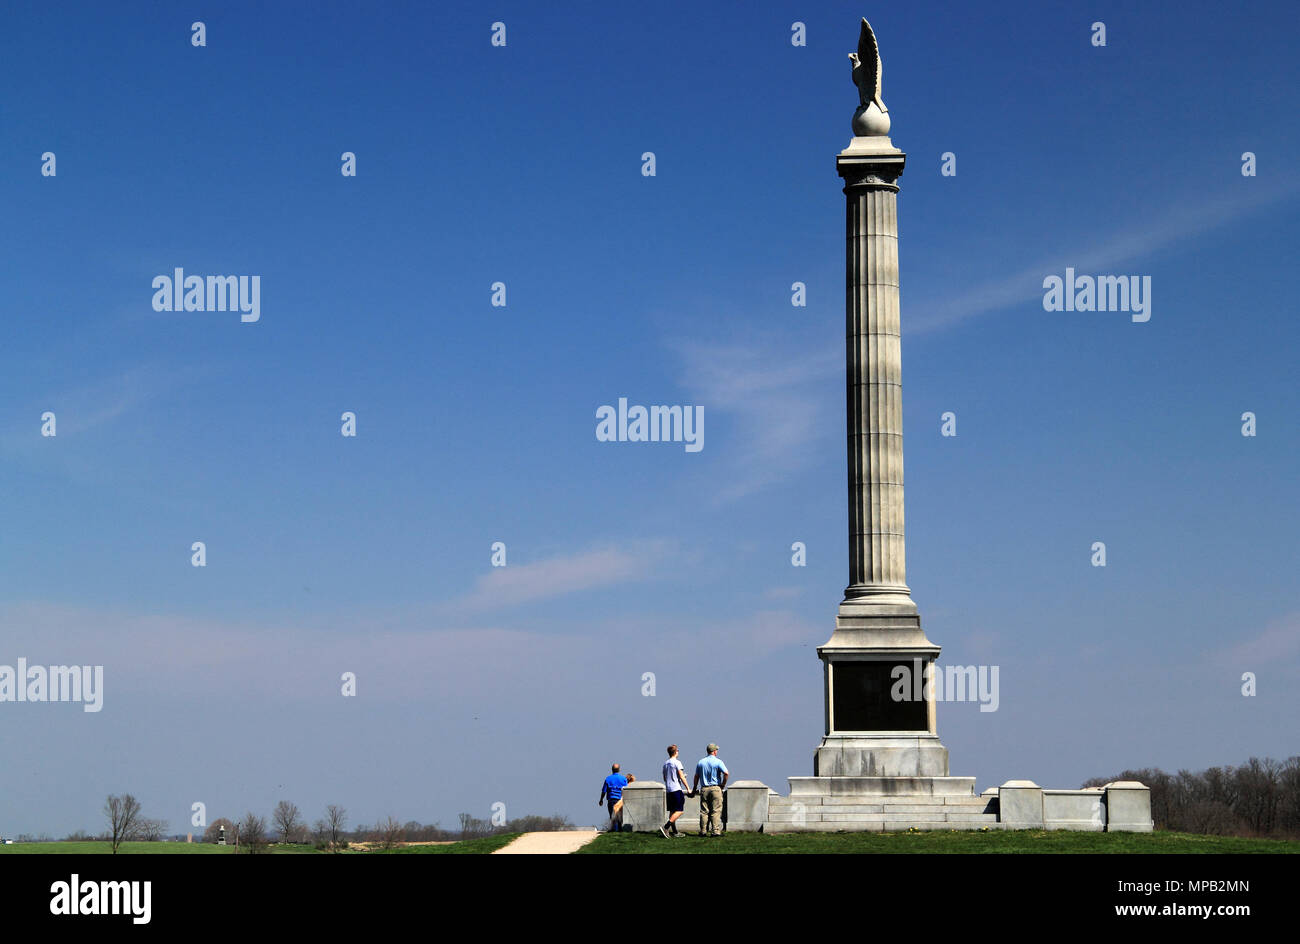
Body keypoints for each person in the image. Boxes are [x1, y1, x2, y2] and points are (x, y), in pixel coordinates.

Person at [692, 743, 729, 837]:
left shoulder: (701, 762)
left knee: (704, 811)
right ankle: (715, 831)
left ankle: (703, 831)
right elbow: (726, 773)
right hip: (716, 788)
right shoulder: (718, 761)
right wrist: (723, 785)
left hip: (704, 788)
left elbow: (696, 776)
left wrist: (694, 788)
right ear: (714, 751)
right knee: (715, 810)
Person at [660, 745, 690, 838]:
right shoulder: (677, 762)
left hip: (669, 790)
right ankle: (666, 827)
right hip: (676, 789)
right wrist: (688, 788)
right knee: (679, 810)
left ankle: (675, 832)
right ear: (676, 752)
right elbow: (681, 776)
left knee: (673, 811)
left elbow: (665, 778)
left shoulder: (665, 763)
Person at [598, 763, 628, 831]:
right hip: (620, 800)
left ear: (612, 770)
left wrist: (601, 800)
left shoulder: (608, 779)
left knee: (613, 816)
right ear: (619, 770)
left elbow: (604, 791)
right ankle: (620, 830)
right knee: (620, 816)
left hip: (611, 800)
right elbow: (626, 790)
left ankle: (614, 830)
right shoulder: (623, 779)